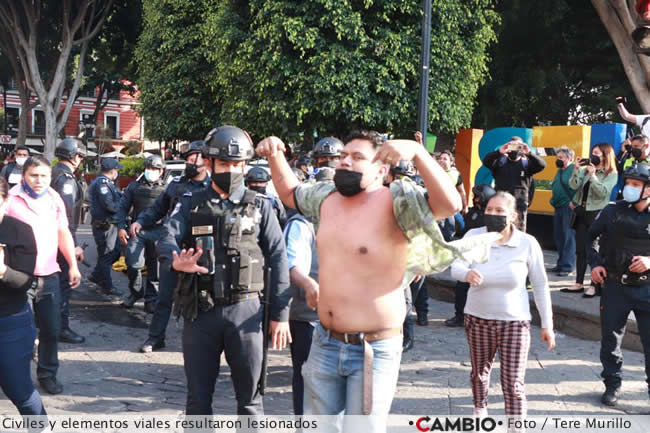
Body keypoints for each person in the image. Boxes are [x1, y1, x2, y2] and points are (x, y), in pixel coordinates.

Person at [257, 129, 496, 431]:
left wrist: (419, 153)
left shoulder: (397, 203)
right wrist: (275, 154)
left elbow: (448, 205)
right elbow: (291, 193)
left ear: (381, 170)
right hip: (325, 341)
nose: (345, 161)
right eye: (343, 156)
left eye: (357, 158)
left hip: (374, 348)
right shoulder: (325, 197)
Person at [158, 125, 291, 415]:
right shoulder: (191, 204)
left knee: (251, 401)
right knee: (197, 400)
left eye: (237, 164)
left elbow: (279, 258)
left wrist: (281, 315)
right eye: (224, 164)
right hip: (200, 312)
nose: (231, 170)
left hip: (246, 313)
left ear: (245, 165)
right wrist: (174, 259)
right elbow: (167, 236)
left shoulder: (260, 206)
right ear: (208, 163)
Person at [450, 191, 555, 421]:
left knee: (514, 383)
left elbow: (540, 283)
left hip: (515, 322)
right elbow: (455, 266)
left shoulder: (527, 243)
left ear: (513, 215)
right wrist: (467, 273)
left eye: (500, 211)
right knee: (479, 374)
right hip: (478, 319)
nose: (493, 214)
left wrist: (547, 325)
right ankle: (480, 410)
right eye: (489, 210)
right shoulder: (474, 235)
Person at [6, 156, 81, 395]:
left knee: (51, 329)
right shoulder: (9, 199)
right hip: (18, 278)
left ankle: (48, 374)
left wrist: (72, 265)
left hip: (49, 276)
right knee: (19, 333)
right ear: (24, 175)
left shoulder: (54, 198)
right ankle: (15, 378)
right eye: (34, 175)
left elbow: (63, 233)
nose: (39, 181)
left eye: (44, 176)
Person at [135, 140, 211, 353]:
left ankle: (202, 343)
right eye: (188, 158)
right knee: (165, 297)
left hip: (201, 251)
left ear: (206, 161)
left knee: (202, 298)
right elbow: (158, 209)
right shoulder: (176, 184)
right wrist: (141, 221)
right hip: (174, 248)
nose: (190, 162)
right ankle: (155, 338)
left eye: (195, 158)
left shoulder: (213, 186)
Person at [588, 163, 650, 406]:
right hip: (614, 287)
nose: (629, 188)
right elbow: (590, 238)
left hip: (647, 288)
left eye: (636, 184)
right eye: (628, 183)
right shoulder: (611, 210)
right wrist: (594, 264)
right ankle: (612, 384)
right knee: (610, 340)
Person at [0, 176, 48, 417]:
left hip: (10, 321)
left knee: (18, 388)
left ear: (4, 201)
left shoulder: (19, 231)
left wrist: (3, 271)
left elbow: (25, 281)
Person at [284, 172, 324, 415]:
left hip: (345, 316)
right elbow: (292, 264)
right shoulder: (301, 224)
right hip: (308, 316)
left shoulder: (349, 220)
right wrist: (309, 284)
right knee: (307, 376)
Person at [562, 143, 618, 297]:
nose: (593, 156)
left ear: (605, 156)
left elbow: (602, 193)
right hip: (582, 211)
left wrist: (593, 176)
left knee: (594, 249)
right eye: (592, 152)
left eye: (597, 153)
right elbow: (573, 185)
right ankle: (578, 283)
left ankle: (595, 285)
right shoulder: (587, 170)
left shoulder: (611, 174)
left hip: (597, 213)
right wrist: (576, 170)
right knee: (580, 249)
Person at [117, 155, 166, 312]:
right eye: (148, 168)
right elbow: (123, 208)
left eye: (154, 169)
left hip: (158, 231)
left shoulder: (166, 189)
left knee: (155, 267)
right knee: (132, 263)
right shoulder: (134, 187)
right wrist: (121, 227)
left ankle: (151, 299)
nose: (151, 171)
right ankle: (136, 293)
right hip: (137, 231)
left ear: (161, 171)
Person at [51, 138, 87, 344]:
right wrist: (72, 246)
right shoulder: (65, 179)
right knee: (64, 285)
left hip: (50, 240)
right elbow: (66, 218)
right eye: (80, 157)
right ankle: (61, 328)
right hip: (60, 240)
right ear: (75, 157)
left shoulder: (53, 173)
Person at [445, 184, 496, 327]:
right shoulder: (472, 213)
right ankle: (459, 316)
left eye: (478, 197)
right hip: (467, 256)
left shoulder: (490, 217)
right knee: (461, 287)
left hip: (482, 258)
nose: (475, 199)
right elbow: (463, 230)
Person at [482, 137, 546, 231]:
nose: (514, 149)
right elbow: (486, 161)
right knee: (499, 229)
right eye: (512, 146)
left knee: (519, 232)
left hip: (519, 204)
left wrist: (529, 153)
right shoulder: (500, 162)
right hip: (502, 204)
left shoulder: (527, 164)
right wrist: (499, 152)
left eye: (518, 146)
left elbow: (542, 165)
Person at [88, 158, 123, 296]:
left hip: (110, 223)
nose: (117, 172)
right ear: (112, 170)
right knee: (107, 255)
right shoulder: (102, 183)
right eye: (117, 169)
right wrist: (123, 209)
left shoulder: (108, 183)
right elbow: (108, 204)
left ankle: (96, 275)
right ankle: (107, 286)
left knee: (114, 252)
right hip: (104, 225)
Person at [549, 147, 577, 277]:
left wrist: (574, 203)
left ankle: (567, 266)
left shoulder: (574, 170)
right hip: (558, 207)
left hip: (568, 208)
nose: (558, 160)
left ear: (569, 158)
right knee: (559, 237)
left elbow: (579, 187)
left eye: (561, 158)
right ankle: (561, 264)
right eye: (557, 157)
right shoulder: (560, 170)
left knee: (568, 238)